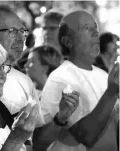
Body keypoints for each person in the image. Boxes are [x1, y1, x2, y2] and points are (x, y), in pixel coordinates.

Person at [33, 10, 119, 151]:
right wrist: (111, 93)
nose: (95, 33)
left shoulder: (103, 74)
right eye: (86, 28)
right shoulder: (60, 78)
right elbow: (86, 137)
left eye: (95, 27)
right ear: (68, 41)